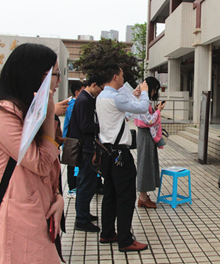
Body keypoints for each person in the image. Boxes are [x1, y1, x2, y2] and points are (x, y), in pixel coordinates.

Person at [0, 43, 64, 263]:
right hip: (18, 222)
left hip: (43, 214)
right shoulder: (6, 113)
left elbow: (50, 168)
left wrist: (57, 198)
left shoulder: (29, 113)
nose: (57, 82)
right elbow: (39, 163)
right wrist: (50, 116)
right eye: (55, 74)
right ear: (33, 74)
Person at [96, 63, 150, 252]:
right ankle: (126, 240)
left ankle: (108, 233)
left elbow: (123, 113)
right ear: (115, 77)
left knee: (110, 194)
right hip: (120, 155)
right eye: (121, 74)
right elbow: (143, 108)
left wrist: (133, 96)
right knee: (126, 197)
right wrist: (144, 92)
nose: (123, 76)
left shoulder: (102, 96)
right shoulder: (115, 97)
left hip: (107, 154)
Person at [67, 74, 105, 233]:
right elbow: (85, 126)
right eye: (101, 89)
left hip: (87, 147)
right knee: (85, 184)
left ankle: (84, 214)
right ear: (94, 84)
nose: (101, 92)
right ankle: (81, 219)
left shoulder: (86, 98)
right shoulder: (84, 100)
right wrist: (102, 125)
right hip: (85, 149)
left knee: (88, 184)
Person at [134, 77, 166, 208]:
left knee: (146, 164)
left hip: (145, 135)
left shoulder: (141, 100)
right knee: (145, 165)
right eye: (155, 89)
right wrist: (159, 111)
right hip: (145, 135)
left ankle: (144, 196)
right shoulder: (143, 101)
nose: (155, 92)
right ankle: (142, 197)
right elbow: (149, 121)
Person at [63, 81, 86, 199]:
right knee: (72, 164)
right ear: (77, 92)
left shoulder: (76, 104)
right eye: (83, 90)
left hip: (74, 139)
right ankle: (72, 189)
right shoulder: (72, 105)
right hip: (71, 139)